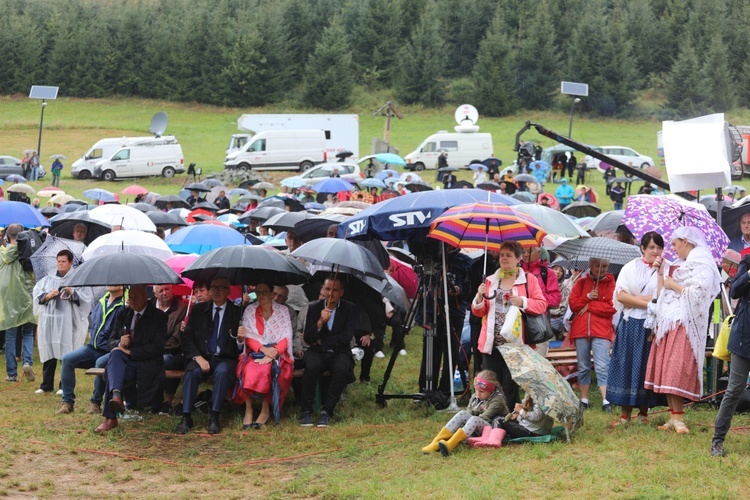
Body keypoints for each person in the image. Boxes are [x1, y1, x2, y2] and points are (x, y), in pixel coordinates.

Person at [644, 226, 721, 434]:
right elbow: (661, 290)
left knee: (676, 367)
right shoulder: (681, 264)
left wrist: (674, 286)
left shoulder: (702, 262)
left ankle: (679, 418)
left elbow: (700, 293)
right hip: (671, 320)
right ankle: (673, 416)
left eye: (675, 244)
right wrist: (661, 273)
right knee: (667, 366)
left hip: (685, 322)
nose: (673, 248)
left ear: (685, 241)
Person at [472, 241, 548, 407]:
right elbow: (479, 311)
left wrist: (523, 301)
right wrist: (479, 296)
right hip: (491, 342)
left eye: (508, 255)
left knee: (509, 386)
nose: (504, 258)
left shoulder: (529, 279)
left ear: (519, 258)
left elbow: (542, 304)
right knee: (490, 384)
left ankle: (508, 420)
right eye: (501, 255)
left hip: (514, 345)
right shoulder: (491, 281)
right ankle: (491, 418)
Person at [607, 232, 667, 426]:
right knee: (627, 363)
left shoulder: (664, 271)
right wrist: (646, 301)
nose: (655, 251)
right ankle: (625, 414)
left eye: (658, 247)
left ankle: (643, 413)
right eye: (651, 247)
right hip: (630, 322)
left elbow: (661, 297)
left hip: (650, 325)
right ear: (642, 248)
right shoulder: (629, 268)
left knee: (645, 366)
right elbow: (621, 296)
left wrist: (639, 300)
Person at [94, 285, 168, 433]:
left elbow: (157, 347)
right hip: (124, 363)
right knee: (115, 355)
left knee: (112, 372)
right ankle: (116, 398)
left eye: (135, 297)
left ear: (145, 298)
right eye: (129, 297)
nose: (131, 300)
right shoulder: (123, 313)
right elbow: (110, 342)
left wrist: (131, 352)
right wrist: (119, 343)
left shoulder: (158, 316)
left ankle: (111, 416)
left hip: (146, 363)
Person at [177, 277, 243, 435]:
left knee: (221, 372)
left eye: (221, 288)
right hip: (202, 356)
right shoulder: (199, 310)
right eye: (213, 287)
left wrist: (240, 340)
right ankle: (186, 416)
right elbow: (187, 337)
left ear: (228, 291)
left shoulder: (236, 312)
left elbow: (239, 347)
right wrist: (197, 357)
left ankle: (214, 416)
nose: (216, 291)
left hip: (225, 357)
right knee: (191, 373)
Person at [57, 286, 125, 415]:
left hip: (110, 350)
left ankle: (95, 402)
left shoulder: (125, 304)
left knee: (100, 363)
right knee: (67, 359)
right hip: (92, 347)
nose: (110, 282)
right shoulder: (101, 301)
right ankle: (67, 402)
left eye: (114, 280)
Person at [33, 250, 93, 394]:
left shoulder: (77, 278)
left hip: (68, 322)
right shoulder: (49, 278)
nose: (60, 264)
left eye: (63, 261)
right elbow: (37, 293)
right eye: (58, 261)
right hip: (50, 320)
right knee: (49, 351)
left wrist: (73, 293)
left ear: (71, 262)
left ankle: (63, 385)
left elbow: (86, 299)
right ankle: (46, 384)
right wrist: (48, 295)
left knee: (66, 352)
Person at [234, 283, 293, 429]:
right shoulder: (249, 310)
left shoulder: (282, 310)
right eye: (258, 292)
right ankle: (249, 410)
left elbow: (286, 336)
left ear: (271, 293)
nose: (261, 296)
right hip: (255, 350)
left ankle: (265, 409)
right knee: (248, 367)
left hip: (277, 352)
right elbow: (248, 336)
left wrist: (273, 353)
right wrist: (262, 350)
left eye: (264, 292)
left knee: (269, 369)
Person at [300, 276, 356, 427]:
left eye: (335, 290)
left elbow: (346, 336)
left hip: (339, 352)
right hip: (316, 352)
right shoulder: (314, 308)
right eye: (327, 289)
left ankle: (327, 411)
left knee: (342, 369)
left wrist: (324, 342)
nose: (330, 293)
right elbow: (308, 337)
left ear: (341, 292)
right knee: (311, 367)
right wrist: (319, 323)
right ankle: (306, 411)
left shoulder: (349, 308)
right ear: (322, 290)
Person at [711, 252, 750, 456]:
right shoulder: (747, 261)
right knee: (734, 390)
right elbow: (734, 291)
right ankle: (717, 441)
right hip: (744, 338)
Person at [568, 257, 616, 412]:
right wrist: (587, 297)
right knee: (583, 367)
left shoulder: (611, 283)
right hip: (581, 330)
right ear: (590, 265)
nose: (602, 269)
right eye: (598, 266)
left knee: (602, 365)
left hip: (601, 330)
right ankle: (584, 399)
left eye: (605, 266)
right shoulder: (581, 283)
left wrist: (589, 305)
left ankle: (606, 400)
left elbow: (611, 307)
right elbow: (573, 305)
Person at [422, 370, 509, 456]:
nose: (478, 394)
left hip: (491, 429)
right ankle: (436, 442)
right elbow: (468, 414)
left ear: (491, 390)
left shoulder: (497, 400)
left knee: (474, 419)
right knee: (462, 413)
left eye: (482, 391)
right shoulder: (475, 396)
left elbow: (484, 417)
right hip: (476, 425)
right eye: (476, 390)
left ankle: (451, 444)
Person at [1, 224, 38, 383]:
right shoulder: (29, 252)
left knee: (10, 335)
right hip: (27, 297)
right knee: (28, 332)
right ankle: (27, 362)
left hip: (8, 298)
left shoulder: (2, 253)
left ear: (7, 236)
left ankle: (11, 374)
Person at [152, 284, 188, 415]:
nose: (164, 293)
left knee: (165, 360)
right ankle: (138, 400)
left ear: (172, 290)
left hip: (171, 352)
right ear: (154, 293)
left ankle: (166, 400)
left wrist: (153, 347)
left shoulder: (181, 309)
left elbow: (175, 341)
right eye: (160, 290)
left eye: (167, 289)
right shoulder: (148, 307)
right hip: (149, 351)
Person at [521, 246, 561, 355]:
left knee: (538, 360)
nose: (525, 254)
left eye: (529, 251)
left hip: (538, 322)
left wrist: (536, 297)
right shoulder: (516, 271)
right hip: (518, 322)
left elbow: (555, 299)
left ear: (539, 253)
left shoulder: (548, 273)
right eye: (523, 251)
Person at [548, 264, 570, 339]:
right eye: (556, 269)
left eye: (561, 271)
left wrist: (548, 311)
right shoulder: (542, 285)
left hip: (556, 320)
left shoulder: (565, 289)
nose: (558, 272)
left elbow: (563, 308)